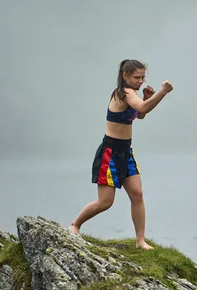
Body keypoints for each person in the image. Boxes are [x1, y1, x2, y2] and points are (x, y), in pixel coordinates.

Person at [70, 59, 173, 250]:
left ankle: (140, 241)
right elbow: (142, 108)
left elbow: (139, 115)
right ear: (125, 76)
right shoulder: (123, 93)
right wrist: (162, 92)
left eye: (143, 77)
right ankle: (75, 225)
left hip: (126, 151)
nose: (141, 81)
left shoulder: (132, 94)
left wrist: (145, 97)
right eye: (137, 77)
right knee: (105, 202)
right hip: (110, 152)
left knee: (137, 194)